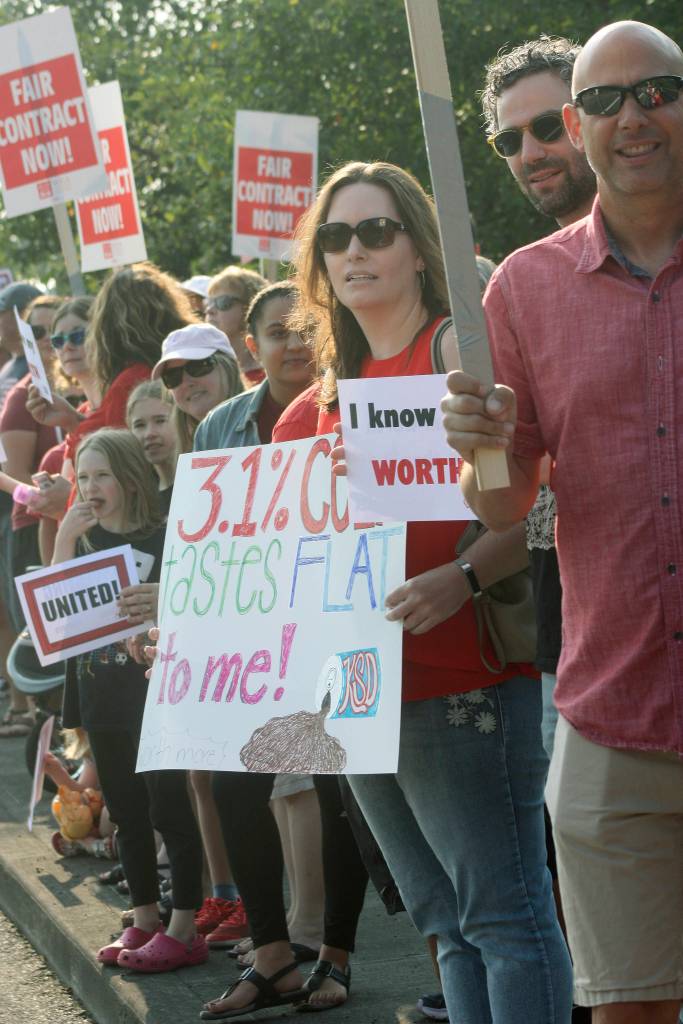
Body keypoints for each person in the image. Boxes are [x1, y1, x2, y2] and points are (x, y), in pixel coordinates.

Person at [275, 159, 572, 1024]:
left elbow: (548, 496)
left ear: (417, 247)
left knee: (504, 918)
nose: (354, 251)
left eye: (376, 231)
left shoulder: (454, 353)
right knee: (444, 925)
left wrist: (464, 575)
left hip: (460, 678)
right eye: (335, 237)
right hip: (356, 693)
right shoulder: (323, 393)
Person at [441, 20, 683, 1024]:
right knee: (628, 1009)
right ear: (582, 128)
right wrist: (480, 447)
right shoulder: (523, 289)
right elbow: (502, 501)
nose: (631, 117)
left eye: (654, 91)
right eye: (601, 102)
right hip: (610, 715)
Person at [192, 282, 327, 974]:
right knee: (246, 783)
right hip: (251, 631)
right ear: (252, 347)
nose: (294, 344)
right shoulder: (219, 427)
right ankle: (277, 936)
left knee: (315, 785)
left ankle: (318, 938)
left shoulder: (349, 407)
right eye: (278, 332)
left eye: (306, 328)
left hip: (329, 621)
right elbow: (200, 538)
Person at [57, 428, 205, 972]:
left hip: (155, 694)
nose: (91, 487)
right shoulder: (82, 539)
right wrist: (63, 540)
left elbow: (192, 605)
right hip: (99, 694)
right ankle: (143, 918)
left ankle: (185, 926)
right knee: (125, 812)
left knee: (169, 808)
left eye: (103, 475)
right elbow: (54, 620)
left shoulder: (165, 536)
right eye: (83, 477)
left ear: (129, 478)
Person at [28, 263, 195, 519]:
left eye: (79, 336)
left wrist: (69, 496)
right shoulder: (185, 364)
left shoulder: (133, 380)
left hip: (157, 514)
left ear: (106, 323)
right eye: (57, 341)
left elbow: (113, 462)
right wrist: (74, 421)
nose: (67, 347)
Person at [150, 322, 242, 452]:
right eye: (172, 376)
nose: (186, 382)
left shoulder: (266, 424)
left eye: (198, 366)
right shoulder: (175, 451)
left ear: (230, 366)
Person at [205, 266, 267, 386]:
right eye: (208, 302)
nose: (209, 310)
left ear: (249, 307)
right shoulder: (201, 370)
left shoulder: (271, 373)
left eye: (222, 302)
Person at [126, 381, 177, 514]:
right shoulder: (137, 499)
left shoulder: (200, 482)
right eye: (139, 425)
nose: (149, 434)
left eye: (160, 421)